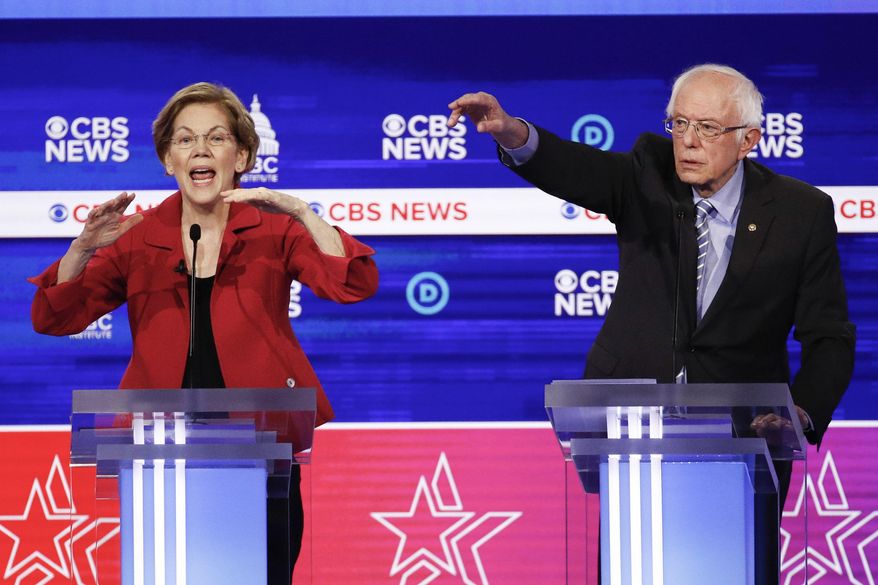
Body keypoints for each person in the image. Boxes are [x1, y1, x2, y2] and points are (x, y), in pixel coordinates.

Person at [449, 63, 855, 573]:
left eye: (707, 128)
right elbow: (577, 168)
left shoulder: (800, 212)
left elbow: (830, 336)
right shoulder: (648, 173)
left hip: (746, 440)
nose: (688, 141)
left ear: (748, 138)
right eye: (679, 124)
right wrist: (512, 132)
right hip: (633, 430)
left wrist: (802, 412)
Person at [30, 82, 379, 583]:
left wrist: (303, 212)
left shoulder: (273, 232)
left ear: (240, 156)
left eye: (216, 138)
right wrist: (83, 248)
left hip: (263, 454)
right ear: (167, 159)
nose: (199, 150)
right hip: (159, 459)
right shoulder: (136, 238)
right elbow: (54, 317)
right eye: (184, 140)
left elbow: (355, 283)